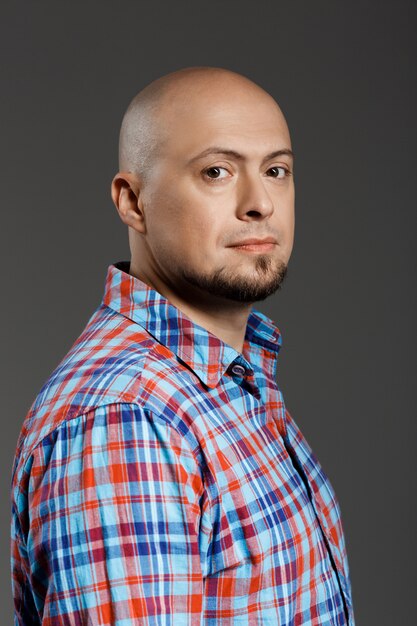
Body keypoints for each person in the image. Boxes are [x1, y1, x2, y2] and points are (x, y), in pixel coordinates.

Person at [10, 66, 355, 625]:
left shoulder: (229, 381)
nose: (260, 202)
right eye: (216, 171)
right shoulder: (126, 420)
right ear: (133, 201)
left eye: (276, 170)